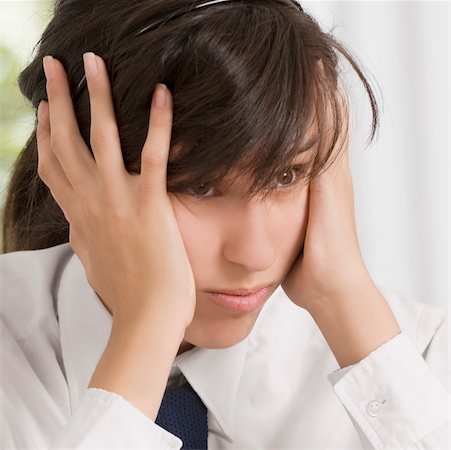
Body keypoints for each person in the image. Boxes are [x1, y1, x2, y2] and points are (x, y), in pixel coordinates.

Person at [0, 0, 449, 448]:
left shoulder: (417, 357)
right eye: (199, 187)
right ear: (74, 166)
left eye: (286, 175)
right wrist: (148, 329)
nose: (256, 254)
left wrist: (347, 301)